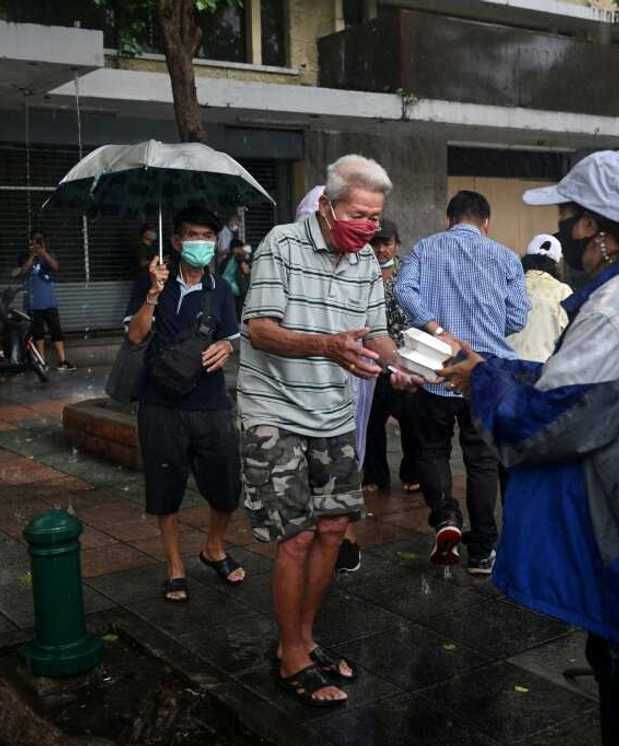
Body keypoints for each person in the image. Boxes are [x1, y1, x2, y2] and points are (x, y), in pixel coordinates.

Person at [439, 150, 619, 746]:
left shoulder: (615, 309)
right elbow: (569, 382)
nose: (562, 225)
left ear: (592, 226)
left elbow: (551, 421)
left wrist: (482, 382)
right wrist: (487, 365)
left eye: (567, 213)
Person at [238, 155, 419, 706]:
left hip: (333, 411)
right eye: (358, 215)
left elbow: (378, 334)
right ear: (326, 205)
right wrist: (326, 345)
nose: (367, 227)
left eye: (374, 218)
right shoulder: (281, 246)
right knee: (294, 537)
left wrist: (398, 365)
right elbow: (259, 329)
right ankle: (289, 650)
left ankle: (305, 637)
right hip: (275, 410)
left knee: (333, 529)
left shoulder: (364, 259)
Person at [394, 190, 530, 574]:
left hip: (435, 371)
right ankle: (483, 550)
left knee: (432, 450)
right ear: (486, 223)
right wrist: (487, 327)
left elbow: (403, 290)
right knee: (482, 462)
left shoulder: (425, 248)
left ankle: (446, 518)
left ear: (447, 220)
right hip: (484, 374)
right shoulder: (505, 256)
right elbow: (518, 318)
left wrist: (438, 330)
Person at [124, 206, 246, 602]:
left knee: (227, 486)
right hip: (160, 404)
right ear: (175, 241)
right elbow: (136, 337)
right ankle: (175, 566)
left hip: (210, 401)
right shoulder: (153, 282)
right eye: (193, 236)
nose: (202, 244)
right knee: (164, 487)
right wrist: (153, 296)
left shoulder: (222, 290)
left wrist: (227, 346)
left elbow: (233, 336)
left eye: (209, 237)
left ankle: (214, 547)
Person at [362, 219, 421, 495]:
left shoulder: (408, 273)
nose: (380, 249)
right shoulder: (359, 271)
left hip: (403, 357)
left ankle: (412, 472)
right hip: (370, 358)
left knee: (410, 419)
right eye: (375, 243)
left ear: (396, 244)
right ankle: (375, 475)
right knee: (372, 420)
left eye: (386, 243)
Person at [507, 234, 572, 363]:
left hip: (504, 365)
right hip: (542, 368)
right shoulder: (563, 291)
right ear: (557, 264)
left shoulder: (507, 286)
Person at [17, 230, 75, 372]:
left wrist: (43, 253)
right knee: (38, 333)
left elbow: (56, 267)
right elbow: (23, 271)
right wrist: (33, 255)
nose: (37, 244)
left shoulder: (48, 255)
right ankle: (42, 361)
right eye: (34, 241)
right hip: (33, 303)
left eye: (40, 240)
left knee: (56, 331)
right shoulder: (26, 256)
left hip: (49, 302)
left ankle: (62, 361)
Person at [220, 238, 252, 319]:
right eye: (240, 248)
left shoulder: (226, 259)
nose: (242, 249)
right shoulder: (238, 258)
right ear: (235, 249)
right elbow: (246, 271)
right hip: (235, 290)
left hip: (225, 288)